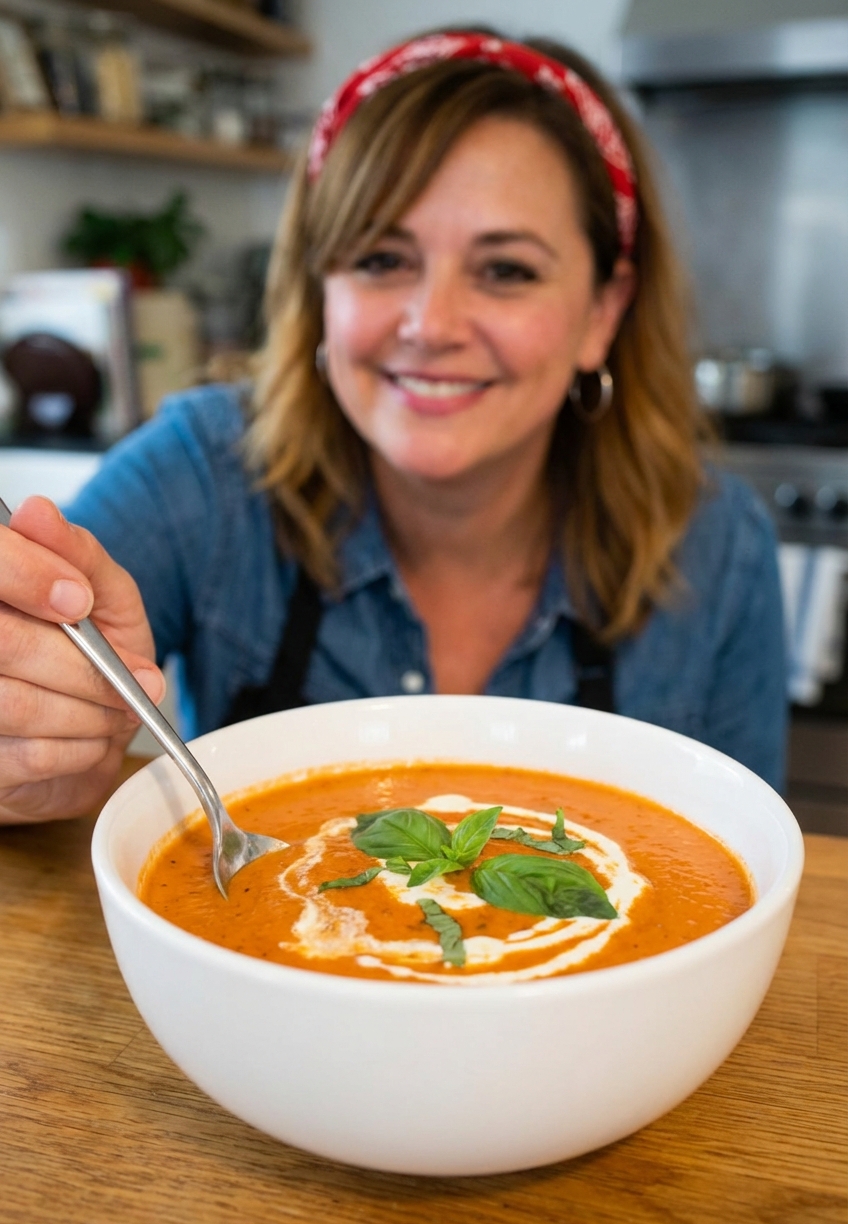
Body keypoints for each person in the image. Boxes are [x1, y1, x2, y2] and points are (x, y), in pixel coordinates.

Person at [0, 29, 786, 828]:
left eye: (506, 270)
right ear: (321, 286)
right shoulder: (200, 473)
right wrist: (43, 739)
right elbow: (36, 678)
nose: (431, 324)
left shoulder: (718, 546)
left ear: (602, 311)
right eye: (381, 259)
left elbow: (749, 861)